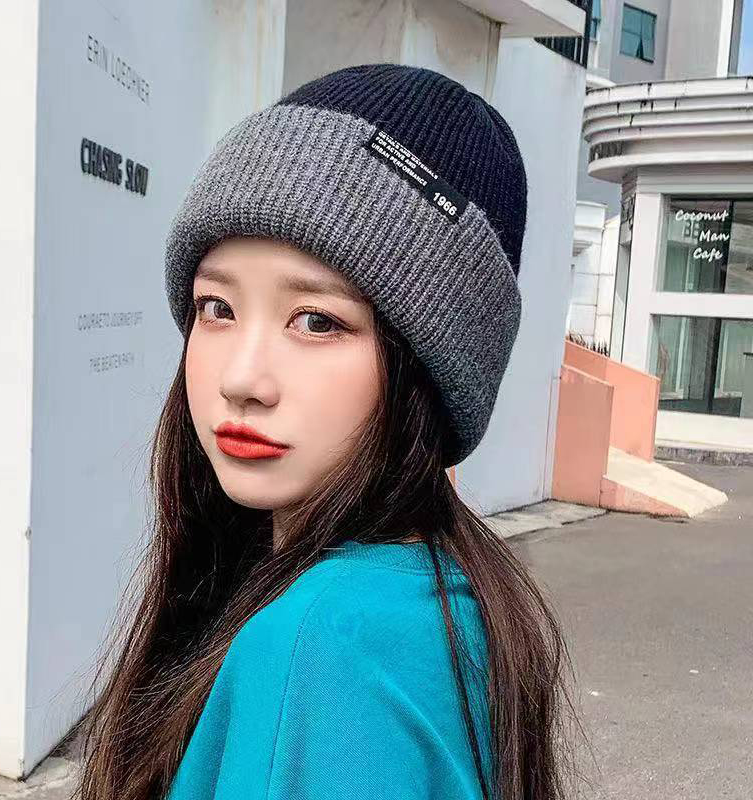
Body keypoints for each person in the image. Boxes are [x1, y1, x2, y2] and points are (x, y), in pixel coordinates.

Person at [73, 63, 585, 800]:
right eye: (217, 308)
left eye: (316, 321)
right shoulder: (442, 599)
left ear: (428, 370)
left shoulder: (326, 646)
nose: (242, 377)